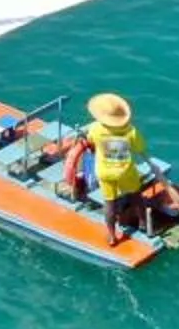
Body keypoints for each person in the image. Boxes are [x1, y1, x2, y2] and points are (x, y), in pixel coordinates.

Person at [63, 92, 153, 238]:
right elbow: (139, 149)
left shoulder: (96, 129)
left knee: (109, 203)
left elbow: (91, 140)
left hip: (105, 172)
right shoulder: (131, 131)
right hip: (125, 171)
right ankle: (143, 223)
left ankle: (112, 235)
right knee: (136, 195)